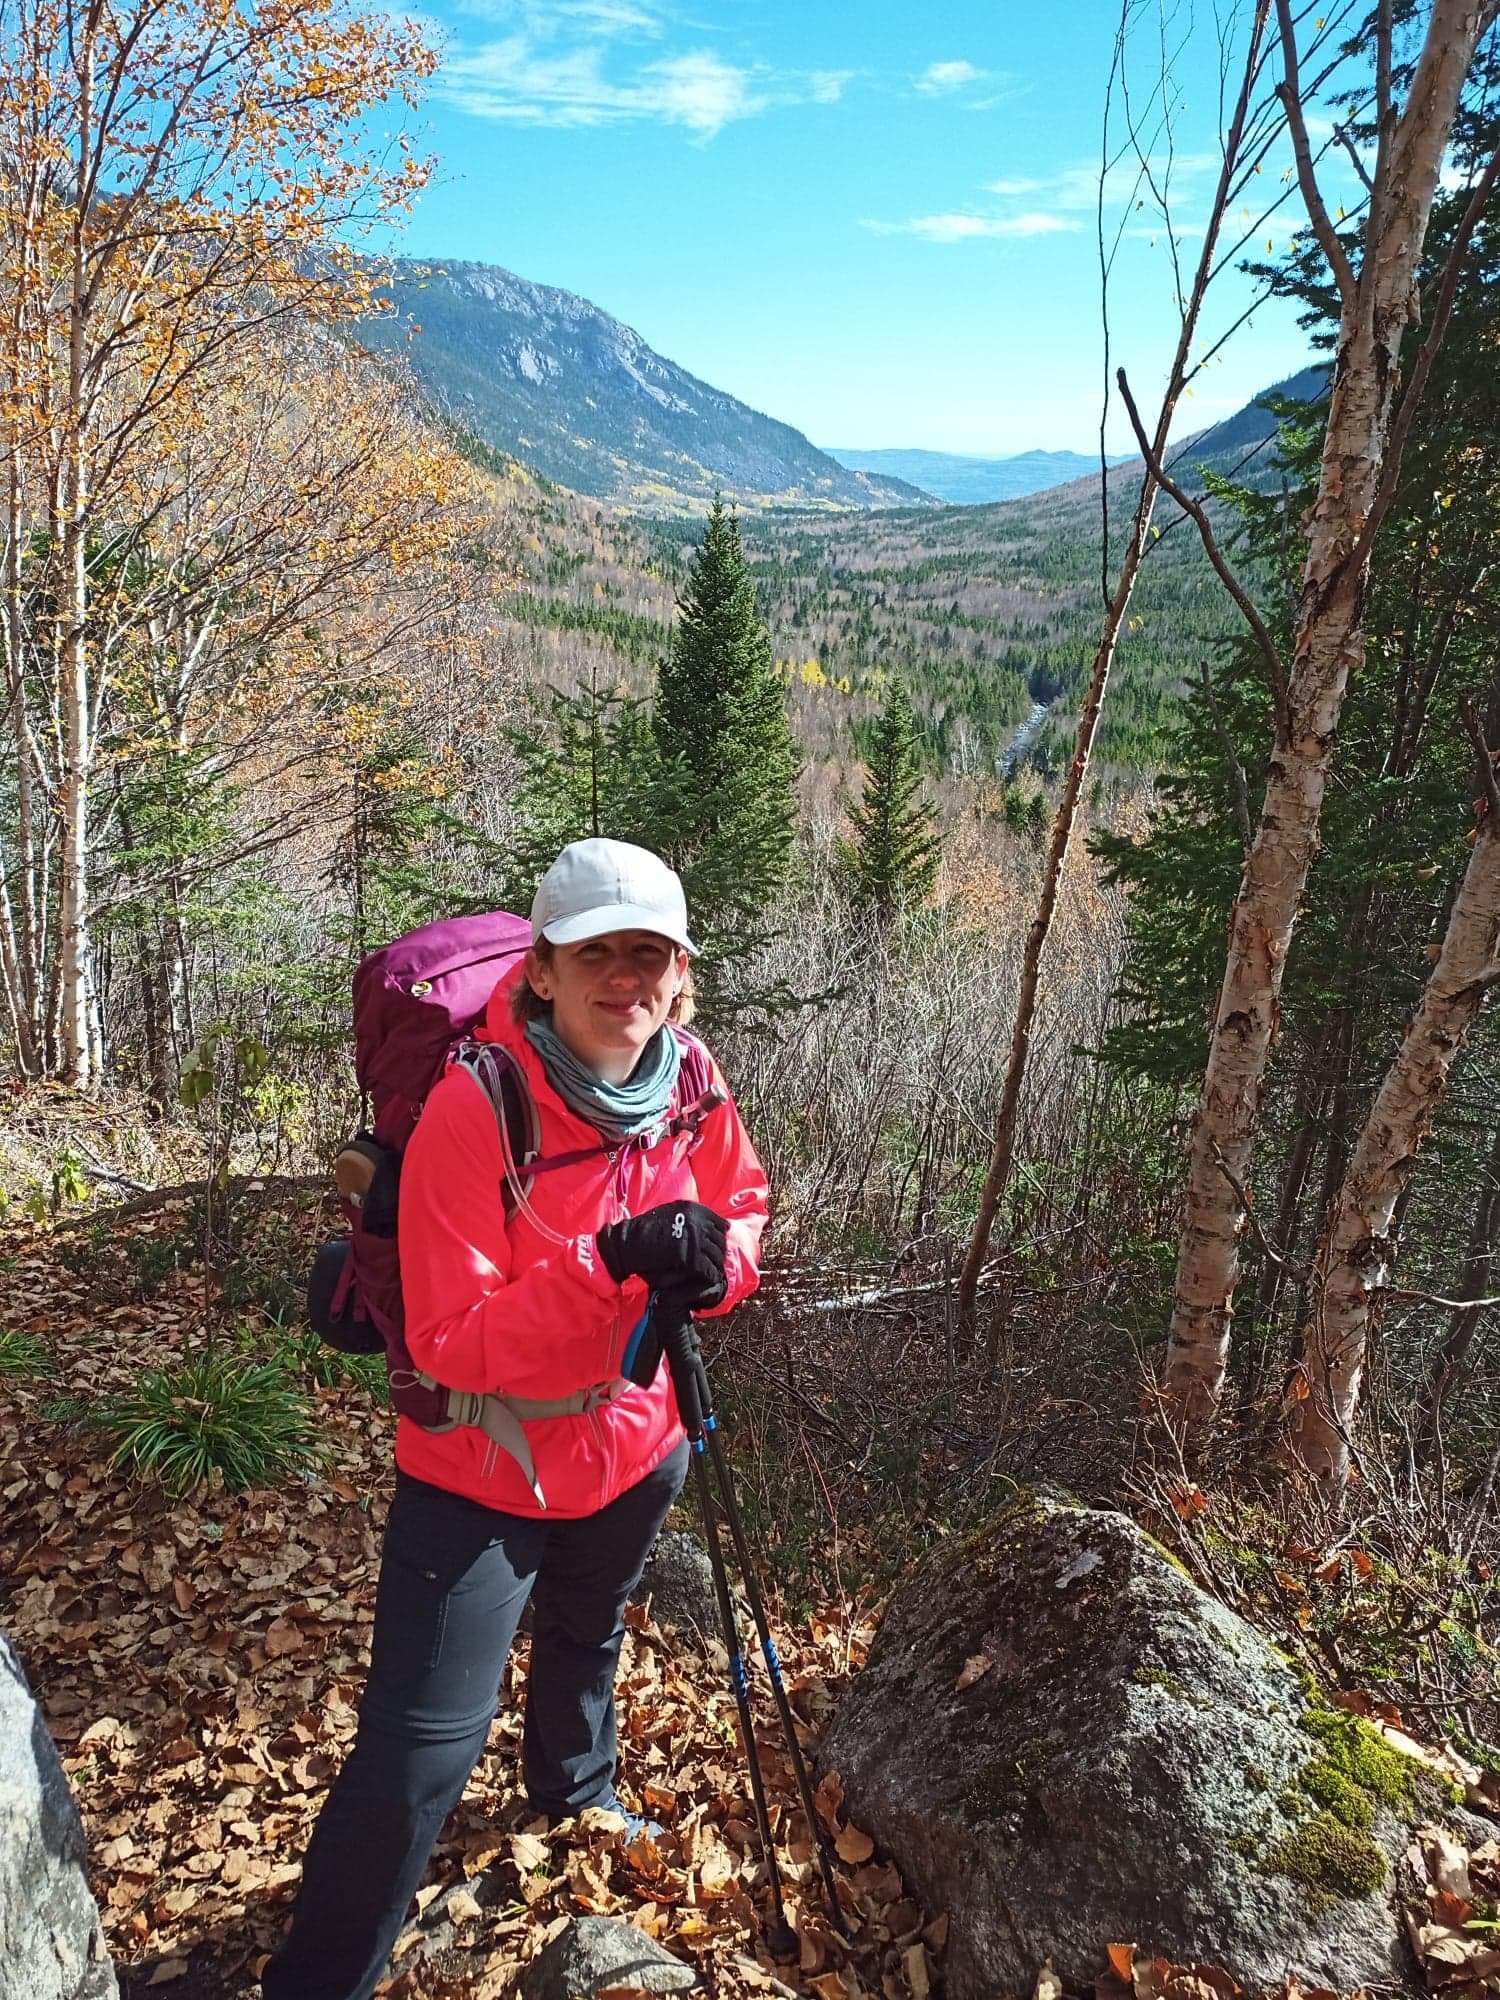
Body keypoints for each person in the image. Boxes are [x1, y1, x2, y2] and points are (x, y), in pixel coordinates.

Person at [262, 838, 769, 2000]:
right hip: (479, 1465)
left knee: (590, 1635)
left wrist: (715, 1261)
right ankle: (320, 1977)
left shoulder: (690, 1073)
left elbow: (739, 1203)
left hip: (634, 1444)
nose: (627, 978)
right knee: (421, 1745)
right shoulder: (476, 1105)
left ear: (682, 977)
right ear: (543, 968)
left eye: (653, 954)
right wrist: (607, 1262)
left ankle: (576, 1790)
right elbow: (449, 1338)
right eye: (599, 951)